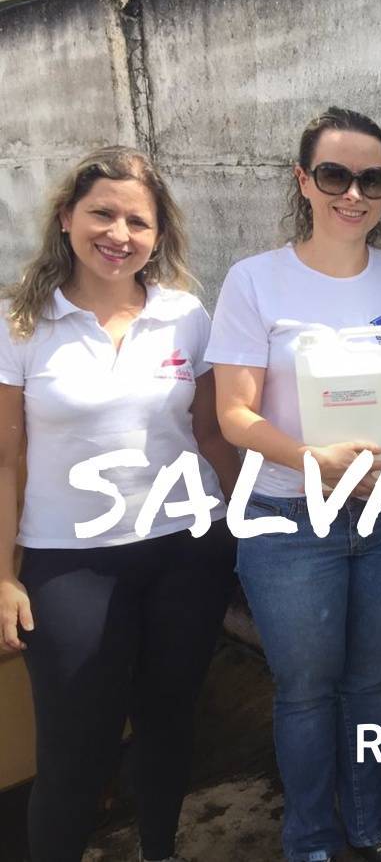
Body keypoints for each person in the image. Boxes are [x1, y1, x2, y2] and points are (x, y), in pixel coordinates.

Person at [206, 107, 381, 862]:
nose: (354, 193)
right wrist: (314, 461)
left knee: (369, 684)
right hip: (288, 516)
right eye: (335, 175)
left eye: (371, 178)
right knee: (307, 691)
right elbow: (235, 414)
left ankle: (371, 823)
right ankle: (311, 839)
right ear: (303, 180)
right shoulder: (256, 281)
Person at [0, 146, 240, 862]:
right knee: (76, 752)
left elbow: (207, 432)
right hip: (68, 563)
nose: (119, 233)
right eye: (102, 212)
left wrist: (253, 518)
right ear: (67, 217)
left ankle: (159, 850)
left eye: (138, 220)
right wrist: (5, 576)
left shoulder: (185, 316)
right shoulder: (22, 323)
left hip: (187, 551)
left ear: (158, 235)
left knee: (169, 727)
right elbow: (6, 457)